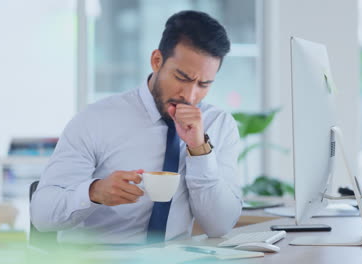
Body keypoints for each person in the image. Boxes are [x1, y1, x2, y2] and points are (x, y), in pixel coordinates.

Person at [31, 10, 242, 244]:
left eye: (203, 84)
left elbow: (220, 226)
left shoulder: (219, 124)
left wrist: (199, 148)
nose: (190, 95)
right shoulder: (95, 120)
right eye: (182, 77)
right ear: (157, 61)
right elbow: (42, 214)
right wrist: (95, 192)